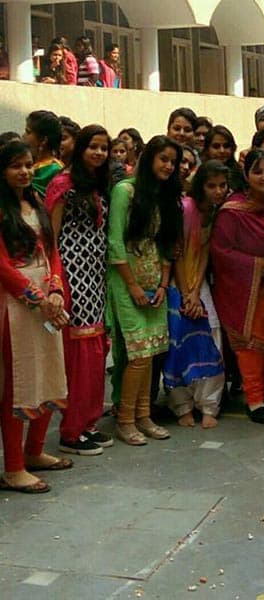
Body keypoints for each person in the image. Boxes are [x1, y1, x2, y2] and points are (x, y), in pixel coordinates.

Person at [0, 140, 71, 493]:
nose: (25, 172)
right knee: (19, 383)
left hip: (46, 297)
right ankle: (13, 468)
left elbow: (52, 251)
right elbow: (1, 265)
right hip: (14, 306)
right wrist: (37, 299)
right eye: (16, 165)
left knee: (49, 372)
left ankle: (35, 452)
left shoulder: (36, 203)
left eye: (28, 164)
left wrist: (56, 290)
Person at [210, 150, 264, 425]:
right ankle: (255, 399)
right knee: (250, 346)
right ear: (246, 176)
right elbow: (221, 251)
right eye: (257, 171)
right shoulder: (232, 210)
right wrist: (259, 265)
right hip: (244, 289)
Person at [106, 135, 182, 446]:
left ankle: (143, 416)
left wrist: (163, 284)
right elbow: (115, 242)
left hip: (154, 285)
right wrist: (134, 286)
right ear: (149, 158)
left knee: (150, 354)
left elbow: (166, 244)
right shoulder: (125, 190)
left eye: (173, 162)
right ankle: (125, 421)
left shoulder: (164, 195)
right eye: (163, 159)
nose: (168, 166)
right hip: (126, 283)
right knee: (138, 355)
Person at [44, 125, 112, 455]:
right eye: (93, 147)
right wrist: (55, 283)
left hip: (95, 280)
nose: (99, 153)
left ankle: (87, 423)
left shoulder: (98, 186)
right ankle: (70, 431)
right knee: (78, 357)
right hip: (71, 279)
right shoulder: (63, 185)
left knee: (95, 354)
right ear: (81, 148)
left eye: (103, 148)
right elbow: (50, 238)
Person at [164, 160, 227, 429]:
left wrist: (196, 292)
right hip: (178, 284)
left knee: (210, 336)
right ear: (200, 185)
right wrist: (187, 293)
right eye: (211, 185)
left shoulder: (214, 212)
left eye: (222, 185)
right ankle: (182, 405)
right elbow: (177, 253)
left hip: (199, 284)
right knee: (178, 342)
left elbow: (204, 255)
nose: (218, 191)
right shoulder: (186, 208)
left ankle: (209, 404)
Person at [23, 110, 63, 197]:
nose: (24, 136)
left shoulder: (55, 170)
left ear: (43, 140)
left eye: (28, 132)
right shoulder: (26, 164)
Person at [203, 125, 244, 193]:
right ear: (207, 150)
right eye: (216, 146)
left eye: (226, 146)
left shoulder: (241, 174)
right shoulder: (200, 175)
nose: (222, 151)